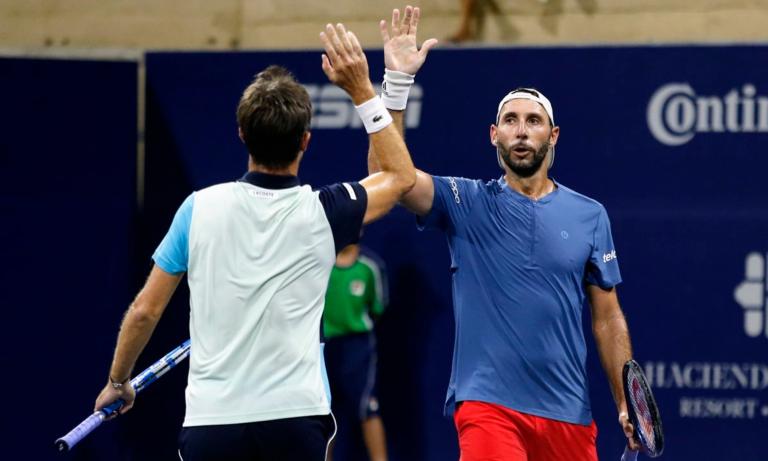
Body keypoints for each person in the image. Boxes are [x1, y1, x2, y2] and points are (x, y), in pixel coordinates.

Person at [92, 22, 417, 461]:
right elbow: (397, 177)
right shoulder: (326, 212)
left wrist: (118, 381)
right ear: (305, 141)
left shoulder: (197, 208)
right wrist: (371, 90)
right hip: (295, 422)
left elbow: (146, 310)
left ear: (241, 133)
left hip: (212, 426)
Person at [372, 5, 641, 460]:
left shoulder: (590, 215)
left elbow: (607, 317)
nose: (521, 131)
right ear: (493, 134)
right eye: (511, 121)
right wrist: (395, 86)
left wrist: (624, 398)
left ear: (552, 136)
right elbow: (389, 178)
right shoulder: (465, 201)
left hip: (569, 416)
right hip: (487, 406)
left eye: (533, 122)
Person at [323, 243, 389, 461]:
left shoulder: (371, 266)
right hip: (324, 347)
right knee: (325, 413)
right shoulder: (320, 262)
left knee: (367, 407)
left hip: (358, 348)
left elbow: (378, 307)